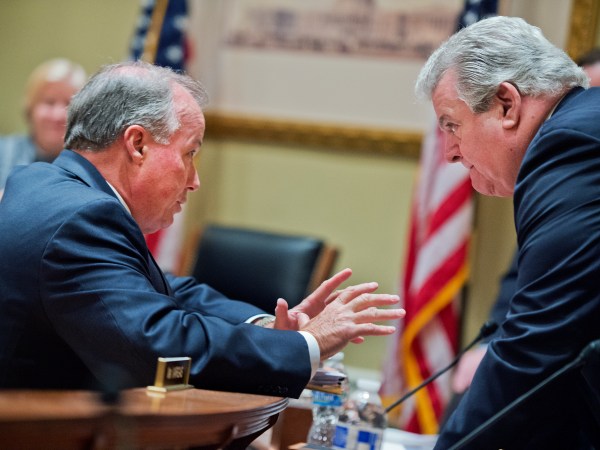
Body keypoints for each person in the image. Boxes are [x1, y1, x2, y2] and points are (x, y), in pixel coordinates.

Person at [0, 61, 405, 397]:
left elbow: (160, 288)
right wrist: (306, 344)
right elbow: (160, 344)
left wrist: (265, 328)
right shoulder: (81, 218)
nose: (194, 180)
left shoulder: (45, 185)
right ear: (137, 144)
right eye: (189, 153)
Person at [416, 16, 600, 449]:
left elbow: (538, 343)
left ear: (506, 104)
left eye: (451, 125)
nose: (450, 154)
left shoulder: (570, 146)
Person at [0, 58, 86, 194]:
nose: (57, 115)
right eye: (49, 102)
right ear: (30, 108)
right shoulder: (4, 152)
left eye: (68, 103)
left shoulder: (87, 166)